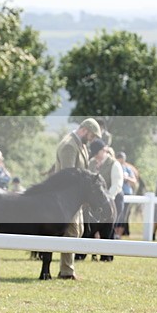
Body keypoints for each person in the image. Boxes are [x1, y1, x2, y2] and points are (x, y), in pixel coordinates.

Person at [53, 117, 101, 280]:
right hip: (67, 197)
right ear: (84, 130)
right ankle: (66, 271)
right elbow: (69, 175)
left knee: (77, 231)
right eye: (92, 136)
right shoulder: (69, 146)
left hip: (76, 198)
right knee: (72, 231)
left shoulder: (80, 144)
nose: (92, 139)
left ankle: (68, 268)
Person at [87, 141, 123, 261]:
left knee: (108, 229)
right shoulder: (91, 163)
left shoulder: (114, 164)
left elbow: (117, 185)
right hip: (96, 201)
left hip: (113, 198)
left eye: (99, 152)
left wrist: (107, 199)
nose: (97, 156)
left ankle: (107, 255)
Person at [114, 151, 137, 239]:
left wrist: (127, 178)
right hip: (118, 193)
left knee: (124, 215)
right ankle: (114, 232)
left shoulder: (127, 169)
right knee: (117, 214)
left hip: (127, 192)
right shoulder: (115, 167)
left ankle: (119, 234)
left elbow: (134, 181)